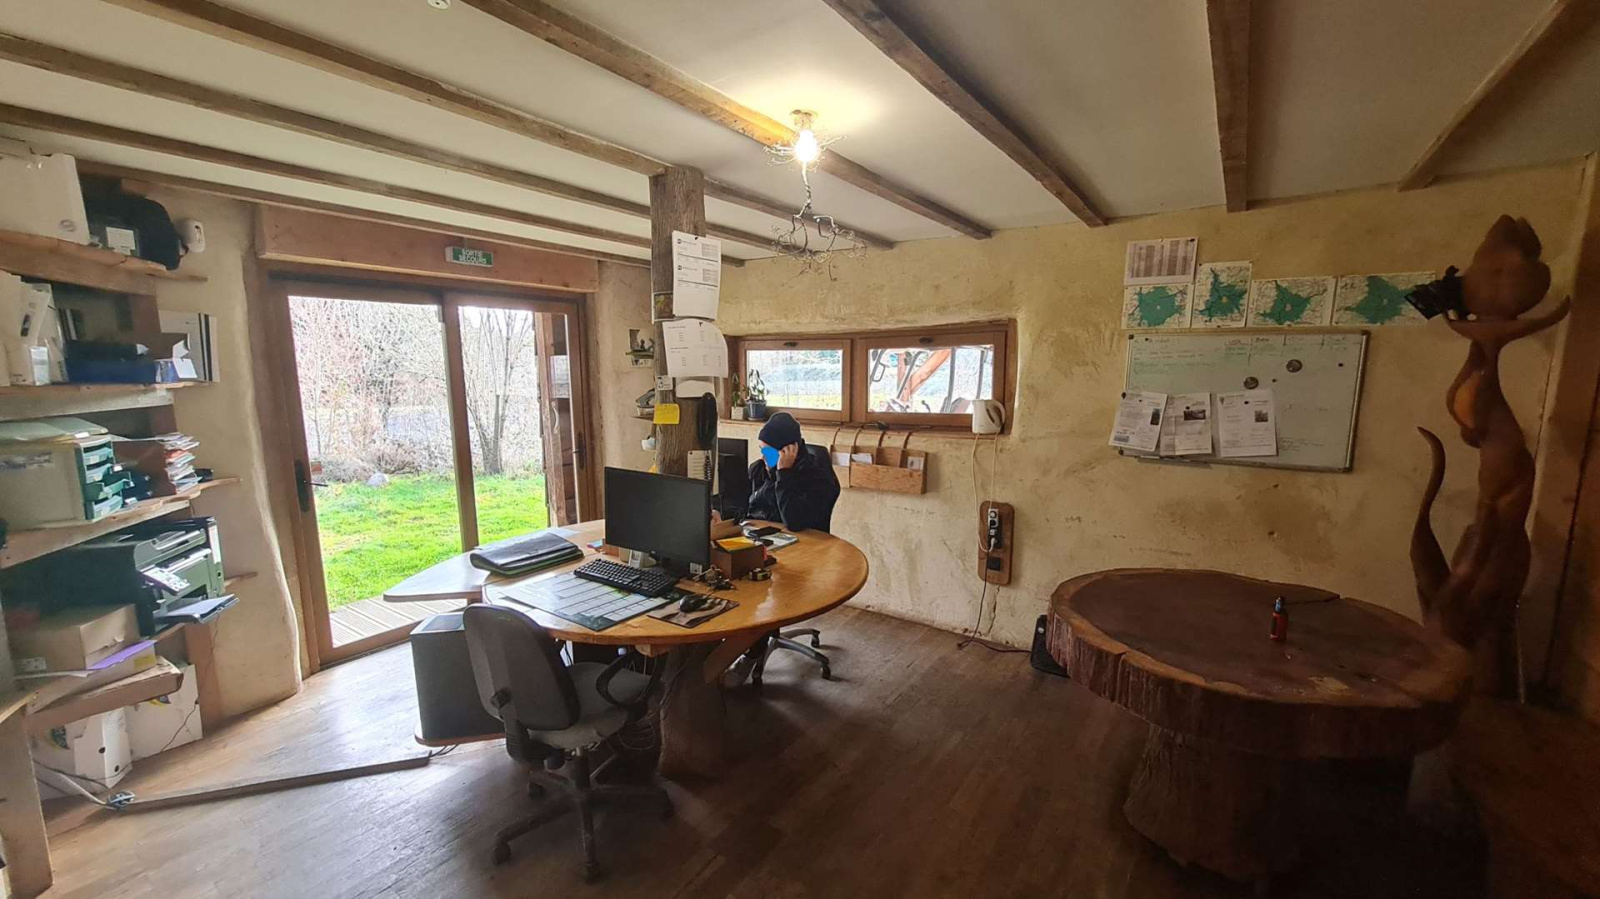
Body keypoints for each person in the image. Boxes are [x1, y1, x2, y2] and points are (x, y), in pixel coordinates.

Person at [744, 412, 838, 533]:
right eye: (762, 450)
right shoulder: (760, 469)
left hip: (804, 542)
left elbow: (794, 522)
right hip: (763, 537)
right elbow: (745, 509)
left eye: (768, 452)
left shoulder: (817, 478)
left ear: (787, 451)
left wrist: (784, 473)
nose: (763, 457)